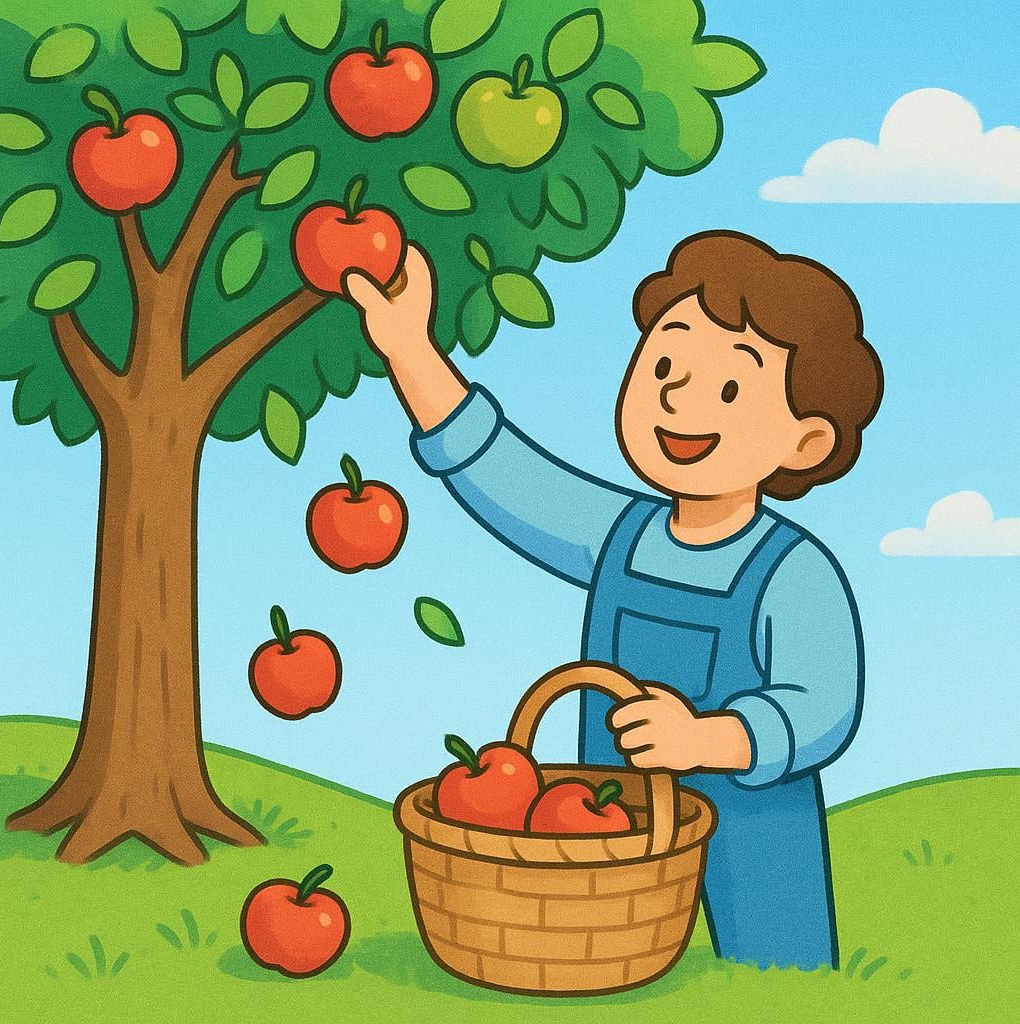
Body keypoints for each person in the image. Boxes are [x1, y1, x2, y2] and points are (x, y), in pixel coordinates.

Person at [344, 230, 883, 971]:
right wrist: (410, 349)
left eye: (729, 388)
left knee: (778, 982)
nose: (678, 398)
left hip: (757, 828)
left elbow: (823, 705)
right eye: (664, 366)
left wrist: (708, 739)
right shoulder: (617, 534)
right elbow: (503, 472)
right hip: (614, 822)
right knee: (607, 963)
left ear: (806, 443)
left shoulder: (795, 573)